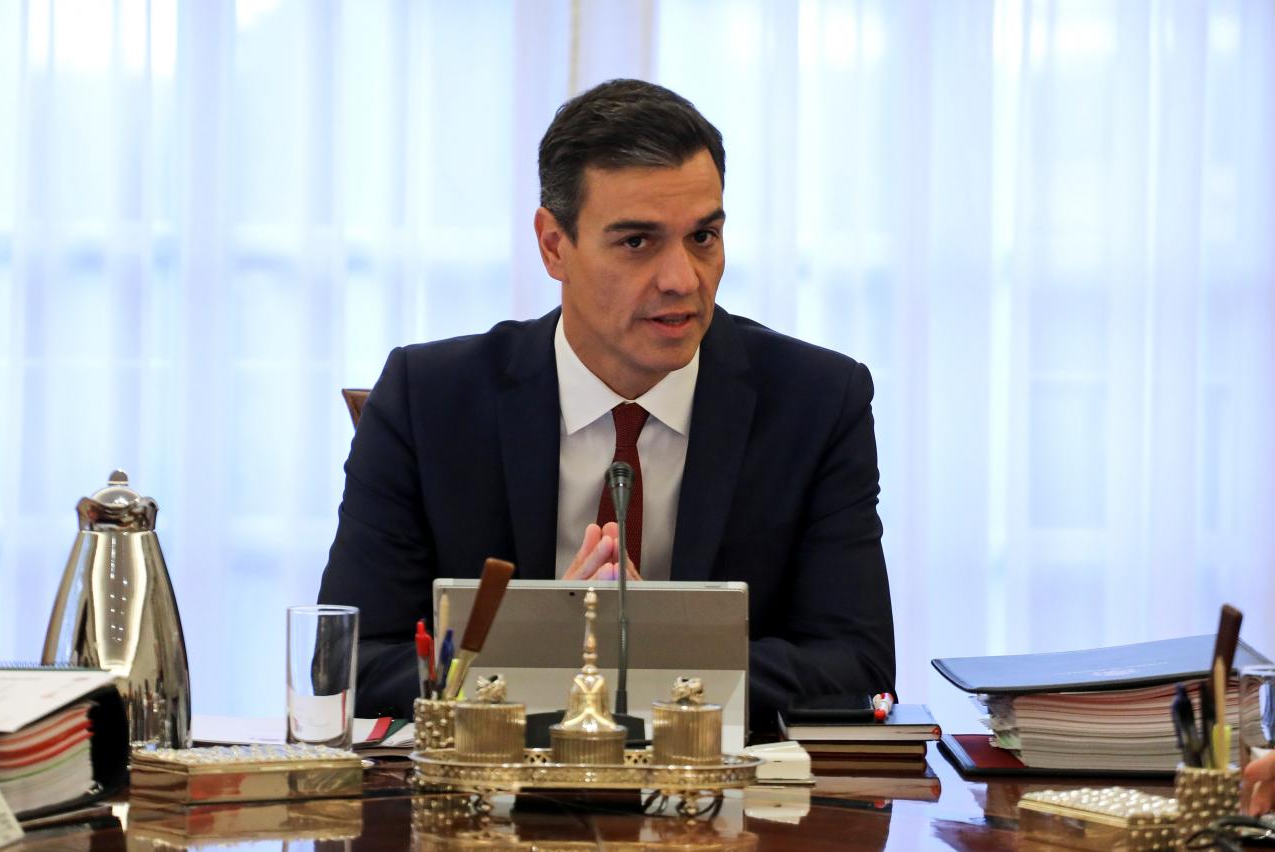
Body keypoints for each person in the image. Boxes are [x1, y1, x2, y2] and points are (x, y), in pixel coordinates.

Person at [317, 78, 895, 735]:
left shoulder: (816, 402)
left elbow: (863, 674)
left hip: (732, 816)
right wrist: (543, 651)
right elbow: (345, 664)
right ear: (553, 245)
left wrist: (647, 653)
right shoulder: (429, 399)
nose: (682, 278)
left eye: (703, 237)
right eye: (637, 242)